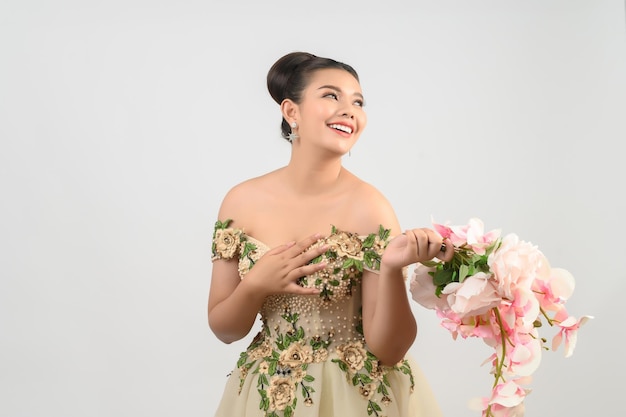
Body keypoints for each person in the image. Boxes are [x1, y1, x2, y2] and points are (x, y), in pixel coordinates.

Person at [208, 51, 453, 417]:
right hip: (270, 395)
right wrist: (256, 284)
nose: (349, 109)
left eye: (358, 101)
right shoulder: (241, 201)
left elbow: (389, 351)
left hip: (357, 396)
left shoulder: (372, 208)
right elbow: (225, 330)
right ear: (292, 112)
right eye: (331, 95)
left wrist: (388, 269)